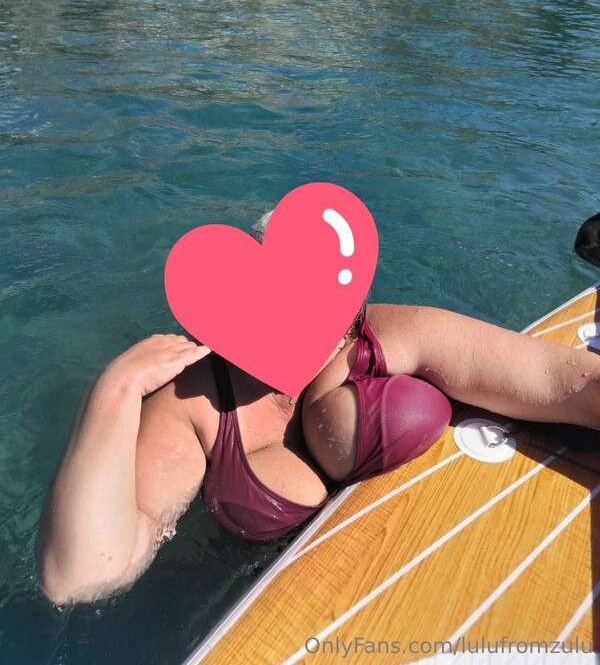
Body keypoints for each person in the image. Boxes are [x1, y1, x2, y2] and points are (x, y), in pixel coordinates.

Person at [36, 210, 600, 606]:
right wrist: (116, 390)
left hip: (427, 564)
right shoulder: (195, 404)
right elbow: (83, 579)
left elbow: (559, 380)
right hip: (251, 603)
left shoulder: (390, 335)